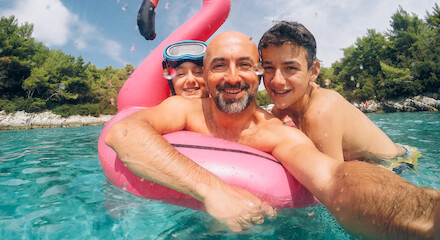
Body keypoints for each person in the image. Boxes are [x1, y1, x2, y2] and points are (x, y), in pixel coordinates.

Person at [105, 31, 440, 239]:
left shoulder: (278, 134)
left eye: (244, 65)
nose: (232, 77)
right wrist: (213, 190)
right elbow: (124, 133)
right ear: (205, 76)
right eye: (219, 65)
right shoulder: (184, 109)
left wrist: (425, 216)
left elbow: (335, 178)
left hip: (398, 161)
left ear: (257, 74)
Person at [258, 21, 419, 174]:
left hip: (396, 164)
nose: (277, 80)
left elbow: (332, 186)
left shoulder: (320, 112)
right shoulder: (285, 103)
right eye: (269, 68)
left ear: (313, 71)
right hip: (396, 151)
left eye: (290, 68)